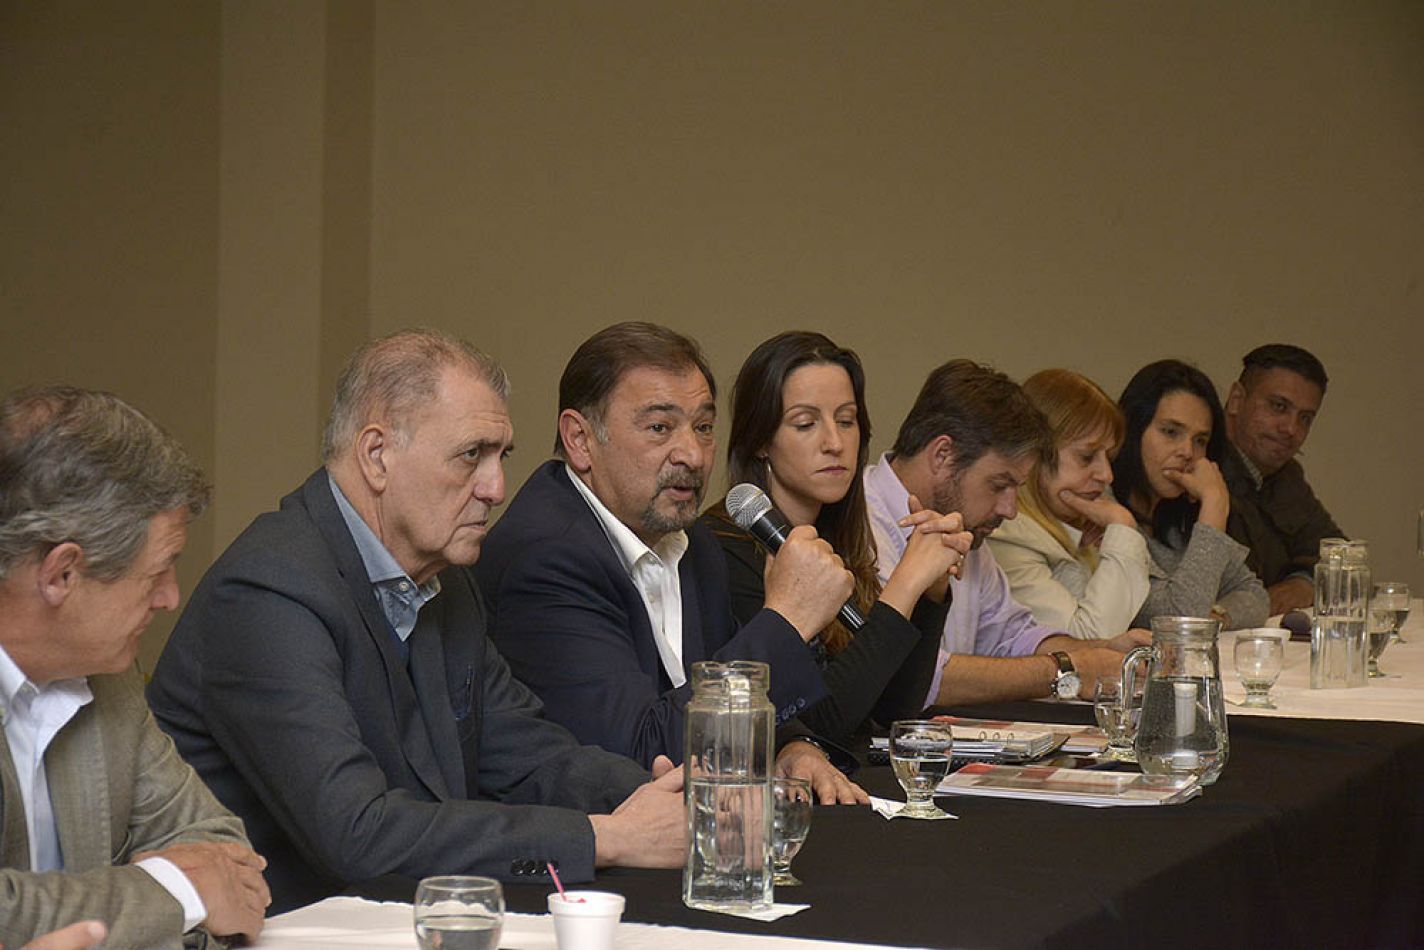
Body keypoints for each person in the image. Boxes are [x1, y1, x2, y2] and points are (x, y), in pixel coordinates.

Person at [147, 330, 685, 914]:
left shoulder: (446, 580)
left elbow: (530, 757)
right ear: (377, 456)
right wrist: (606, 837)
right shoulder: (269, 590)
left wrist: (666, 800)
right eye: (471, 455)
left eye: (500, 456)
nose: (496, 488)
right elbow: (357, 833)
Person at [476, 322, 866, 803]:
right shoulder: (546, 557)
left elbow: (721, 677)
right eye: (660, 428)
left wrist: (791, 745)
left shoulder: (692, 541)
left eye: (703, 428)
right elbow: (644, 754)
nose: (693, 455)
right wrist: (788, 619)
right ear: (579, 439)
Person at [0, 386, 269, 948]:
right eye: (158, 571)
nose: (170, 598)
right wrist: (177, 894)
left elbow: (225, 852)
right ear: (61, 575)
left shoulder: (108, 677)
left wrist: (171, 899)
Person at [699, 332, 970, 746]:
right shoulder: (722, 548)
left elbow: (893, 710)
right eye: (806, 424)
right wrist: (904, 585)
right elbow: (818, 725)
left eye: (846, 421)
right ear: (761, 441)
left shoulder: (838, 537)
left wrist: (930, 592)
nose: (835, 443)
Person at [864, 360, 1147, 706]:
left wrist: (1099, 652)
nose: (1010, 509)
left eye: (1016, 488)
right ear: (942, 455)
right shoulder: (857, 525)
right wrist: (1067, 670)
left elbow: (1012, 638)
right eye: (999, 485)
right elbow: (913, 678)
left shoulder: (968, 531)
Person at [988, 369, 1151, 638]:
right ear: (1036, 455)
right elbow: (1086, 641)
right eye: (1087, 457)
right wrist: (1123, 529)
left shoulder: (1076, 528)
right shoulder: (1007, 537)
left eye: (1109, 458)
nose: (1107, 475)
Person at [1111, 360, 1269, 630]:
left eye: (1200, 441)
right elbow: (1176, 621)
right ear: (1132, 430)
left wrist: (1213, 617)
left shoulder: (1177, 518)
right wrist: (1214, 506)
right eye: (1170, 432)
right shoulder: (1102, 514)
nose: (1187, 452)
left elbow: (1255, 594)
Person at [1222, 344, 1343, 614]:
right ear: (1236, 399)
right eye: (1278, 407)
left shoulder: (1286, 475)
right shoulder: (1197, 463)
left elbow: (1342, 559)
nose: (1291, 429)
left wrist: (1304, 583)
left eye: (1305, 418)